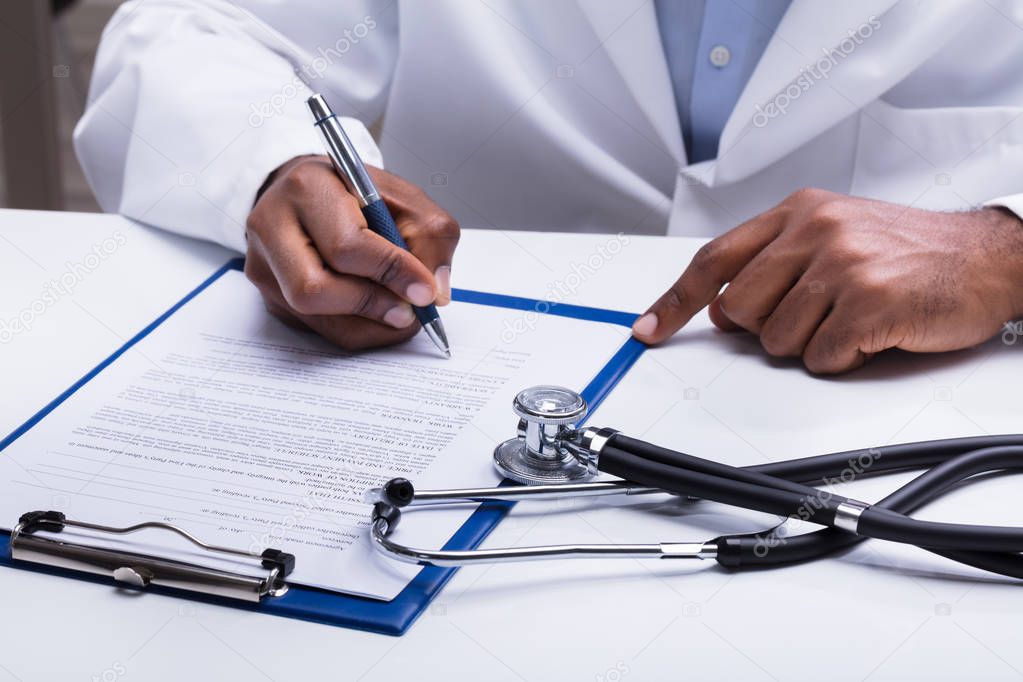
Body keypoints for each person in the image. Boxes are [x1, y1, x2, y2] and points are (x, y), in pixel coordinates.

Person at [75, 0, 1023, 374]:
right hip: (454, 424)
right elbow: (188, 33)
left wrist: (1004, 249)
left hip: (918, 437)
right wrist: (278, 162)